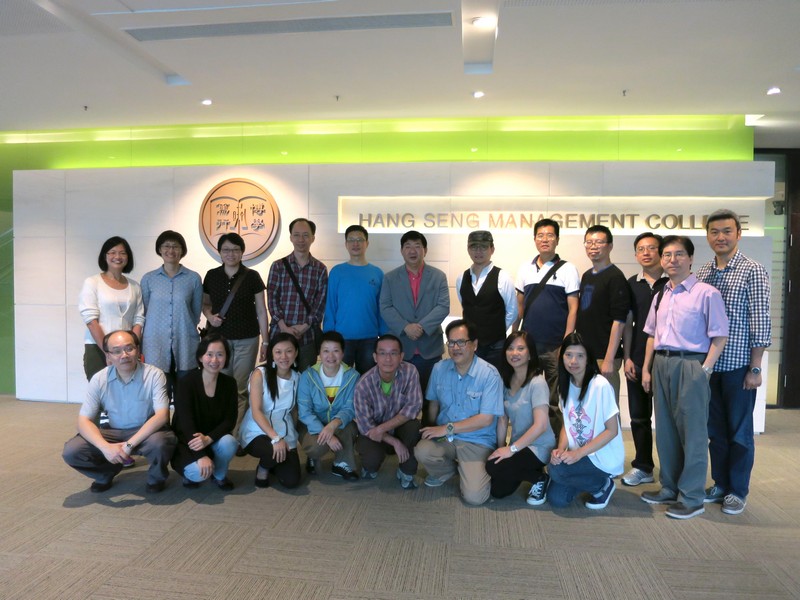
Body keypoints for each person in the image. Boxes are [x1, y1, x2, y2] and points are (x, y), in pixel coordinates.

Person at [641, 235, 728, 520]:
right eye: (667, 255)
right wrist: (646, 368)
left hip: (691, 365)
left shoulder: (706, 293)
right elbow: (652, 335)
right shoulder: (660, 294)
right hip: (662, 364)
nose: (672, 260)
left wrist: (705, 369)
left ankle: (692, 497)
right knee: (665, 431)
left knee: (693, 434)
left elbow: (720, 335)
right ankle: (669, 487)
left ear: (691, 259)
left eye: (679, 254)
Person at [697, 209, 771, 515]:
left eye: (727, 231)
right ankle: (720, 484)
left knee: (740, 433)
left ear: (738, 234)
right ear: (708, 236)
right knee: (715, 431)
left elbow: (761, 320)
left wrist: (756, 367)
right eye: (714, 232)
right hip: (709, 367)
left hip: (740, 366)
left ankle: (738, 490)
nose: (720, 237)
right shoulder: (702, 273)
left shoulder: (753, 270)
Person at [62, 330, 177, 493]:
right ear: (108, 356)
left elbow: (162, 416)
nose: (124, 355)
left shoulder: (154, 375)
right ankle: (105, 474)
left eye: (129, 348)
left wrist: (130, 445)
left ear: (138, 350)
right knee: (72, 451)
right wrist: (105, 448)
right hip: (113, 432)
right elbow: (83, 421)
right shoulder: (99, 379)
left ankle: (156, 478)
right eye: (116, 351)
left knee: (161, 442)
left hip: (145, 431)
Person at [415, 319, 503, 506]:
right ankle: (448, 470)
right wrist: (431, 428)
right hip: (446, 438)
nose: (455, 347)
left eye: (461, 342)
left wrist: (446, 428)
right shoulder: (439, 368)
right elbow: (433, 403)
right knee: (422, 451)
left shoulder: (490, 374)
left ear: (474, 345)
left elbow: (486, 420)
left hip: (477, 440)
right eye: (451, 342)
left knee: (474, 498)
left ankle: (468, 469)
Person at [515, 218, 581, 434]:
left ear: (557, 240)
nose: (545, 240)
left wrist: (567, 343)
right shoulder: (525, 268)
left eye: (550, 235)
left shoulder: (568, 269)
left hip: (555, 346)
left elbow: (573, 309)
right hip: (529, 345)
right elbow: (519, 307)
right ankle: (527, 442)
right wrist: (515, 337)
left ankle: (554, 445)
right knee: (526, 396)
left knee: (555, 399)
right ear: (534, 239)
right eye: (541, 235)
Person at [547, 332, 624, 510]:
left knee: (555, 470)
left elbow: (611, 431)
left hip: (602, 457)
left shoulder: (600, 385)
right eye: (569, 355)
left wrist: (578, 453)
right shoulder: (564, 386)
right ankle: (587, 480)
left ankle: (602, 486)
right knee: (557, 499)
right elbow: (568, 424)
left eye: (580, 356)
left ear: (588, 359)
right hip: (580, 455)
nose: (573, 361)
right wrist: (560, 449)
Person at [202, 233, 269, 433]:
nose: (231, 254)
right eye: (226, 250)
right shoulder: (212, 275)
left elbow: (261, 310)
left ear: (242, 252)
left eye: (235, 249)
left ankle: (236, 434)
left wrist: (266, 342)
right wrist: (210, 315)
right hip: (218, 342)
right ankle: (218, 431)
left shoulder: (252, 276)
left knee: (240, 390)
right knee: (219, 386)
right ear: (220, 252)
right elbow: (205, 304)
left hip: (246, 340)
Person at [380, 230, 449, 412]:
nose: (413, 250)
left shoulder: (438, 276)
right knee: (400, 398)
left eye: (417, 246)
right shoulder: (390, 278)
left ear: (425, 250)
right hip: (401, 348)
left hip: (430, 348)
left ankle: (429, 436)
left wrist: (421, 327)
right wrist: (405, 327)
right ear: (402, 251)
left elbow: (443, 306)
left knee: (431, 397)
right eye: (408, 246)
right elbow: (385, 307)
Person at [485, 331, 556, 505]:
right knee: (497, 491)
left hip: (540, 446)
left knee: (493, 466)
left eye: (520, 348)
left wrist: (510, 451)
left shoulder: (537, 383)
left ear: (530, 353)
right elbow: (502, 420)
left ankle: (540, 478)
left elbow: (540, 426)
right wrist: (500, 449)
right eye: (510, 348)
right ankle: (528, 469)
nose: (514, 353)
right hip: (520, 445)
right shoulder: (506, 382)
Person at [620, 232, 668, 487]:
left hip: (667, 360)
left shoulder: (673, 282)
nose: (646, 253)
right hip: (637, 359)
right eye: (641, 249)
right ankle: (643, 467)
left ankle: (672, 471)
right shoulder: (631, 284)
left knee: (669, 420)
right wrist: (627, 357)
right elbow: (627, 325)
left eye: (652, 248)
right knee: (639, 417)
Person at [170, 333, 238, 491]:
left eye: (220, 355)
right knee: (198, 474)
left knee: (230, 443)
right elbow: (185, 423)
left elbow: (230, 420)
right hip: (188, 441)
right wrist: (200, 455)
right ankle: (191, 472)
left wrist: (208, 439)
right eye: (209, 354)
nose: (214, 360)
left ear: (226, 358)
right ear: (200, 357)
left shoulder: (229, 383)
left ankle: (219, 475)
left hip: (212, 438)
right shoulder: (186, 382)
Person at [353, 334, 422, 488]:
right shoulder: (363, 384)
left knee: (414, 426)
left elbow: (414, 407)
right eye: (382, 353)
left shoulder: (410, 372)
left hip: (396, 427)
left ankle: (406, 471)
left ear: (401, 356)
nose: (388, 359)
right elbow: (366, 427)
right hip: (373, 432)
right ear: (375, 357)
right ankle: (376, 459)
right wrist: (394, 442)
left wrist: (382, 428)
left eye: (393, 353)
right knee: (371, 463)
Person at [141, 230, 203, 399]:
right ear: (159, 250)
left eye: (175, 246)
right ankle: (160, 425)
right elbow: (145, 311)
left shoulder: (193, 278)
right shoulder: (148, 279)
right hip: (156, 343)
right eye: (166, 246)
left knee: (185, 392)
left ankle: (183, 425)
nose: (171, 250)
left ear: (182, 250)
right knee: (159, 391)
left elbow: (195, 312)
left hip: (185, 341)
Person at [576, 225, 631, 402]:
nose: (593, 246)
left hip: (604, 357)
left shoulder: (615, 277)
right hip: (586, 355)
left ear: (610, 246)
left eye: (599, 242)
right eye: (589, 242)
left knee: (607, 409)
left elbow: (619, 321)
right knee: (587, 408)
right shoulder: (586, 276)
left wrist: (608, 359)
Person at [239, 333, 302, 489]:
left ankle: (274, 461)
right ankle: (264, 467)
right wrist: (275, 438)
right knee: (271, 451)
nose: (284, 356)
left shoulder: (298, 377)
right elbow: (256, 412)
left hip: (283, 429)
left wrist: (289, 437)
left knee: (291, 481)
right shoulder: (260, 374)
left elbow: (294, 411)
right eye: (278, 352)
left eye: (289, 351)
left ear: (296, 353)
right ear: (271, 354)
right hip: (257, 430)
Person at [79, 236, 145, 382]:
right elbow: (91, 320)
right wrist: (108, 352)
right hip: (98, 348)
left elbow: (138, 319)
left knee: (127, 392)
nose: (118, 257)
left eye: (122, 253)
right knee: (101, 393)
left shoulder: (135, 286)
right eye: (112, 252)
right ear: (105, 256)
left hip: (127, 351)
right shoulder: (92, 282)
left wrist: (133, 348)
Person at [297, 331, 360, 480]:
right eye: (326, 351)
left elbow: (350, 407)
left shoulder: (352, 376)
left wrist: (333, 425)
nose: (331, 356)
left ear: (343, 353)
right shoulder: (308, 376)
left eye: (336, 351)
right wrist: (325, 433)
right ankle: (313, 457)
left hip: (338, 424)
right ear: (319, 353)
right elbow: (304, 412)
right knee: (317, 447)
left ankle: (341, 463)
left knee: (350, 428)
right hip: (312, 425)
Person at [324, 224, 386, 374]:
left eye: (360, 239)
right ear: (346, 244)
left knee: (367, 382)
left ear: (367, 243)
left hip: (370, 338)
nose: (355, 243)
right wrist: (328, 337)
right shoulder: (337, 272)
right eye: (351, 240)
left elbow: (381, 308)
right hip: (341, 339)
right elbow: (330, 306)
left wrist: (384, 336)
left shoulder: (377, 273)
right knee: (339, 381)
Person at [267, 218, 328, 371]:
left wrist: (304, 326)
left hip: (307, 338)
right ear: (291, 238)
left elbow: (320, 303)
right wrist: (284, 327)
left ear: (313, 238)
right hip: (280, 335)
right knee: (277, 380)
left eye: (306, 235)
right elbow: (272, 298)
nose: (301, 240)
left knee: (306, 381)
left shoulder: (320, 269)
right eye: (297, 235)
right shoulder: (278, 266)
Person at [456, 230, 517, 371]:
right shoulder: (461, 278)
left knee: (494, 382)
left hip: (496, 345)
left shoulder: (502, 276)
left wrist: (496, 329)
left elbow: (512, 311)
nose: (478, 251)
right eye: (474, 247)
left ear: (492, 249)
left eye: (483, 247)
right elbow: (466, 305)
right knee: (471, 382)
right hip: (470, 344)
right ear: (468, 249)